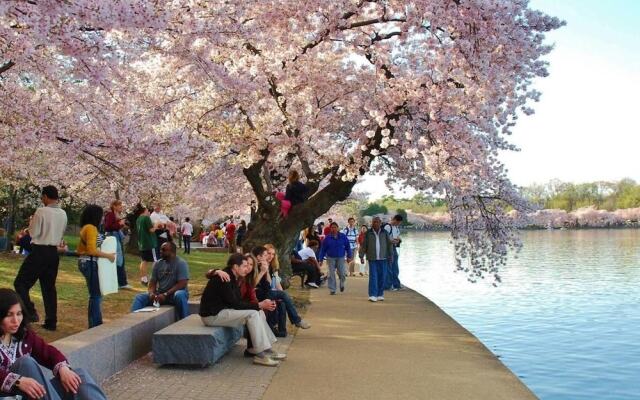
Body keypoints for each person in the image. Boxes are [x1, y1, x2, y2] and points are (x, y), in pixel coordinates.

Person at [0, 288, 108, 399]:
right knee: (26, 363)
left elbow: (48, 352)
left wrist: (63, 369)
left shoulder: (24, 335)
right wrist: (17, 381)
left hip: (30, 395)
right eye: (9, 315)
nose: (16, 320)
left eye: (19, 314)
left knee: (78, 377)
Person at [199, 253, 286, 367]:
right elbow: (235, 303)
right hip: (212, 316)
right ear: (235, 266)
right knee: (253, 314)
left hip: (222, 312)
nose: (247, 269)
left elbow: (237, 301)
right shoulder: (225, 277)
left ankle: (267, 350)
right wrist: (259, 304)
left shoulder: (233, 277)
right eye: (244, 266)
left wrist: (259, 306)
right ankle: (260, 355)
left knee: (257, 312)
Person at [13, 185, 67, 331]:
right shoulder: (63, 213)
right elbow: (61, 233)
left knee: (21, 283)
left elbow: (34, 232)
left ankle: (30, 312)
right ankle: (51, 321)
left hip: (40, 251)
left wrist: (29, 226)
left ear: (45, 196)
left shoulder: (41, 211)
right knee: (49, 287)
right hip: (53, 253)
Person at [77, 204, 116, 328]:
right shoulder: (91, 229)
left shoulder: (86, 228)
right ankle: (95, 324)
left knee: (94, 294)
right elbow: (92, 250)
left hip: (85, 262)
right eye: (101, 215)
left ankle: (94, 322)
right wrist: (108, 255)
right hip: (89, 262)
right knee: (96, 295)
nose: (103, 218)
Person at [131, 241, 190, 320]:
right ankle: (133, 320)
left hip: (174, 295)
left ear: (172, 252)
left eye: (163, 250)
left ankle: (184, 320)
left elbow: (182, 283)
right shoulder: (157, 264)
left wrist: (166, 294)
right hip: (160, 295)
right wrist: (152, 293)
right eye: (160, 250)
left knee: (180, 295)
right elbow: (152, 283)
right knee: (139, 297)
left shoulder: (181, 263)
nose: (160, 252)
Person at [260, 245, 311, 331]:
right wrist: (266, 271)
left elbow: (277, 283)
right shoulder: (261, 266)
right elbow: (268, 284)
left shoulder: (273, 266)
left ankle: (281, 331)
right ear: (263, 254)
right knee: (282, 295)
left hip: (271, 292)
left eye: (273, 254)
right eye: (269, 253)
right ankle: (297, 320)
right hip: (263, 293)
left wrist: (282, 295)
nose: (271, 256)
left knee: (283, 301)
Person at [359, 217, 394, 302]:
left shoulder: (385, 233)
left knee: (382, 276)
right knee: (373, 276)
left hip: (383, 258)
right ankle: (372, 295)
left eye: (377, 222)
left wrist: (391, 255)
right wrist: (361, 256)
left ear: (380, 223)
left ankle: (380, 294)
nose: (376, 223)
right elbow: (364, 245)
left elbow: (389, 244)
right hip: (372, 258)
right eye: (374, 222)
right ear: (372, 223)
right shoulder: (368, 233)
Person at [318, 222, 353, 295]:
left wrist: (349, 256)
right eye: (332, 227)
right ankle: (332, 289)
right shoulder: (327, 238)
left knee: (342, 273)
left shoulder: (343, 236)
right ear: (330, 229)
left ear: (338, 228)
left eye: (335, 227)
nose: (333, 229)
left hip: (340, 257)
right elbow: (323, 249)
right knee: (331, 274)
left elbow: (347, 247)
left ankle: (342, 283)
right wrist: (320, 259)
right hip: (330, 257)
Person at [103, 200, 131, 289]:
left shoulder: (116, 215)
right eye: (119, 205)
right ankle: (121, 282)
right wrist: (120, 224)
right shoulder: (110, 214)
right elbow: (108, 227)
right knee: (118, 259)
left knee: (119, 258)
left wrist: (121, 225)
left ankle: (120, 281)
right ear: (114, 206)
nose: (121, 207)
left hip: (116, 236)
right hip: (113, 237)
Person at [135, 205, 158, 286]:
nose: (149, 212)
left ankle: (143, 279)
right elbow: (151, 230)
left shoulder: (138, 219)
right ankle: (154, 279)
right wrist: (156, 225)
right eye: (147, 210)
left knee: (144, 261)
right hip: (150, 243)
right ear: (144, 211)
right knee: (155, 261)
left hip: (142, 243)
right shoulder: (146, 218)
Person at [384, 214, 403, 291]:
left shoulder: (396, 228)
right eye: (398, 222)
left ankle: (396, 284)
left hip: (394, 247)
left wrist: (398, 240)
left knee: (395, 266)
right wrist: (392, 240)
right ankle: (388, 285)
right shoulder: (387, 227)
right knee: (389, 267)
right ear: (394, 220)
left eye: (399, 223)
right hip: (388, 248)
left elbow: (398, 237)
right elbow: (384, 238)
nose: (398, 224)